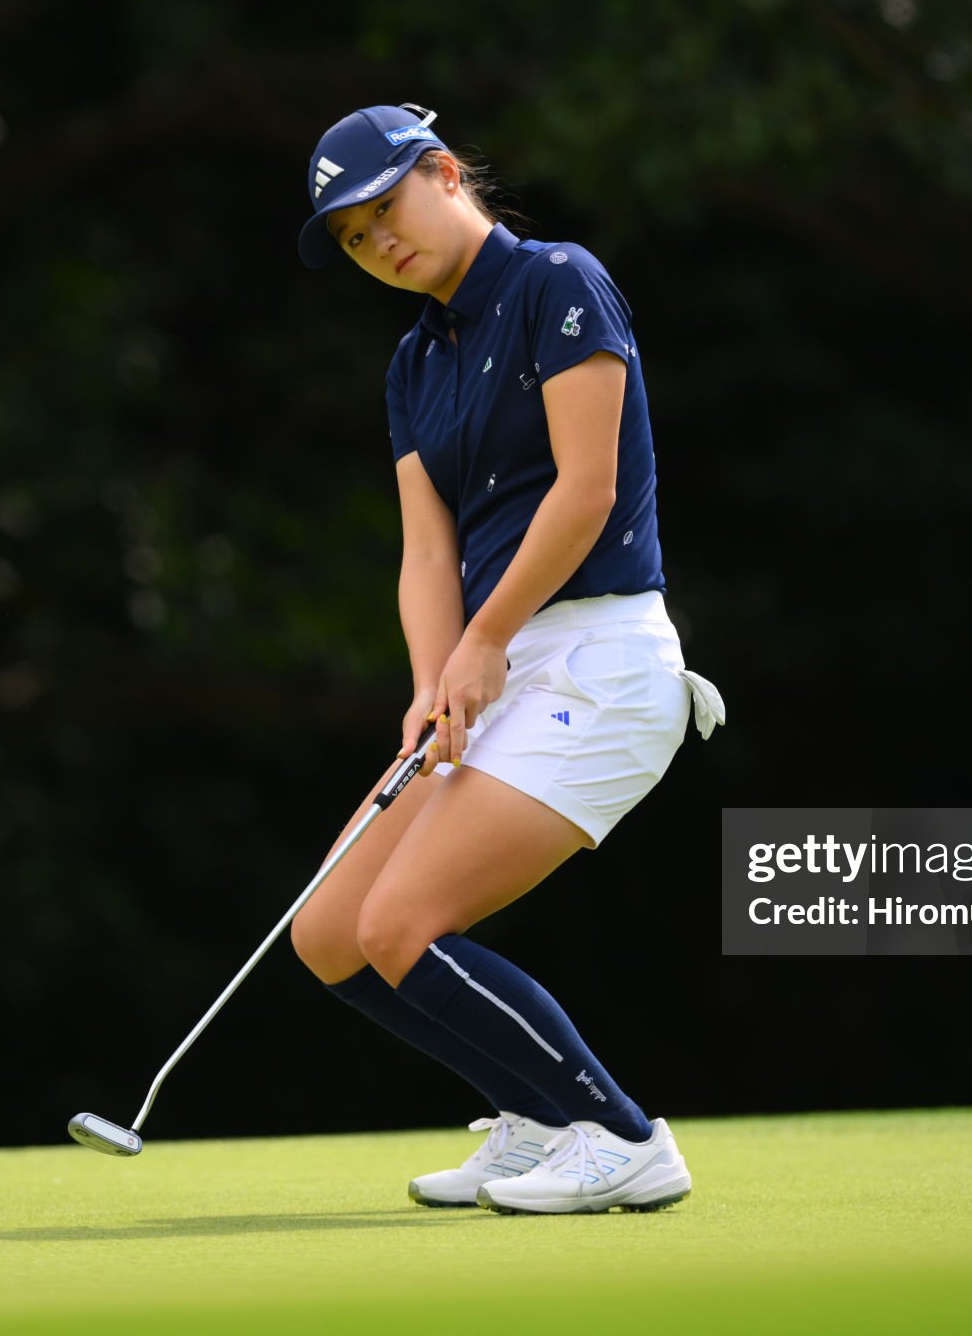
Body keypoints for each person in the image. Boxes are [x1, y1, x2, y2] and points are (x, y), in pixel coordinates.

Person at [286, 103, 724, 1215]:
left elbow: (584, 494)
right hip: (493, 665)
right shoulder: (410, 363)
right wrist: (436, 678)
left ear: (442, 175)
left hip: (600, 663)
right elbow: (425, 551)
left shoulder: (556, 283)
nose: (377, 243)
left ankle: (621, 1138)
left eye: (384, 209)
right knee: (331, 933)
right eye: (351, 237)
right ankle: (535, 1123)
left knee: (400, 925)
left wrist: (481, 645)